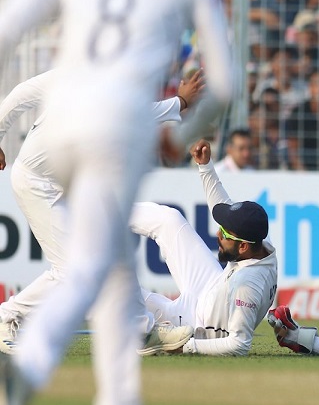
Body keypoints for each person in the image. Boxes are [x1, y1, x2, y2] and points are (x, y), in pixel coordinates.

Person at [0, 0, 233, 405]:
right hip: (84, 153)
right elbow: (222, 83)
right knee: (84, 269)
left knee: (102, 264)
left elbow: (9, 29)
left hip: (61, 146)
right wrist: (184, 129)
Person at [0, 68, 205, 354]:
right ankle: (7, 316)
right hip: (37, 183)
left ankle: (140, 331)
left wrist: (179, 102)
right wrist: (180, 103)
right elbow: (20, 95)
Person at [131, 138, 278, 356]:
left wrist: (185, 345)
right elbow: (222, 204)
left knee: (118, 284)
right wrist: (205, 165)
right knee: (169, 219)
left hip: (196, 324)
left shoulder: (247, 287)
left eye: (225, 234)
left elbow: (239, 345)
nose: (218, 233)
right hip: (211, 288)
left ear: (244, 247)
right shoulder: (259, 242)